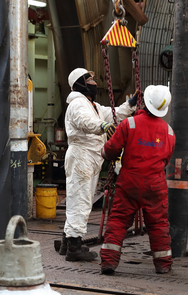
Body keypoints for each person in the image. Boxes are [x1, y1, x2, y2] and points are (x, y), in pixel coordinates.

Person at [59, 67, 138, 261]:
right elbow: (84, 122)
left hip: (90, 158)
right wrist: (101, 126)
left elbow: (115, 114)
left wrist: (131, 103)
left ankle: (67, 241)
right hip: (82, 157)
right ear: (80, 83)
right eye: (90, 79)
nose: (94, 83)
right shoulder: (78, 104)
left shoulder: (93, 106)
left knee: (78, 198)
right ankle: (75, 247)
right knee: (81, 201)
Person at [99, 85, 175, 274]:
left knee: (118, 220)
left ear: (145, 103)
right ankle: (163, 264)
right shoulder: (169, 132)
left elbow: (111, 150)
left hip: (129, 182)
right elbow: (166, 159)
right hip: (155, 184)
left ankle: (109, 262)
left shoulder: (129, 124)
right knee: (158, 224)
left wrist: (104, 153)